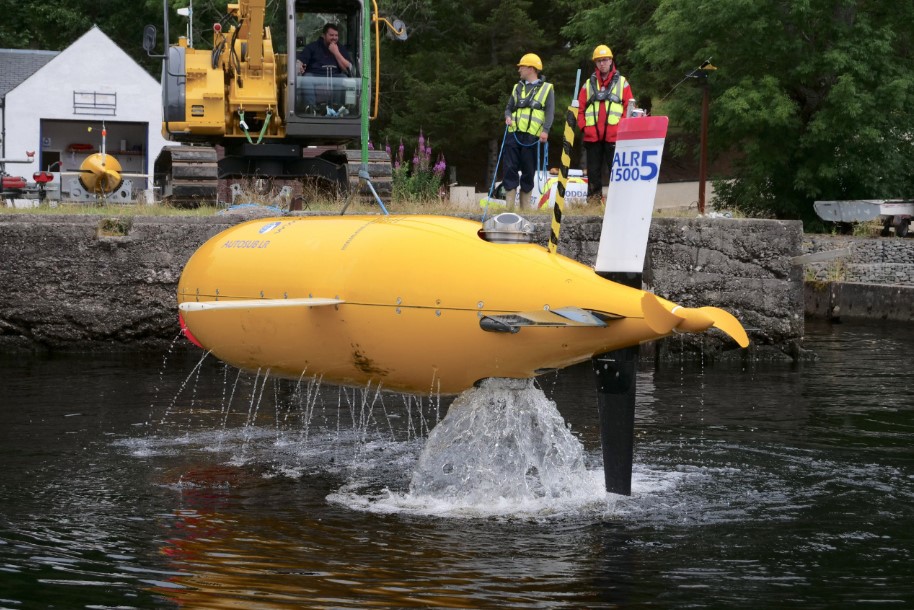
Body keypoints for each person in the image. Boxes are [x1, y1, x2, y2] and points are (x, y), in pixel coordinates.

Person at [577, 45, 635, 202]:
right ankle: (594, 203)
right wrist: (584, 127)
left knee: (616, 172)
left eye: (605, 60)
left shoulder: (622, 83)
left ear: (611, 61)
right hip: (592, 137)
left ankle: (618, 203)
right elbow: (579, 109)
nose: (602, 63)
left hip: (614, 137)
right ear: (595, 63)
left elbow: (629, 108)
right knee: (593, 173)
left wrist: (621, 128)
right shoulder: (588, 84)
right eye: (599, 61)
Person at [502, 53, 554, 210]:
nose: (519, 70)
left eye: (522, 67)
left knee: (528, 170)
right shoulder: (517, 87)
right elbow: (509, 107)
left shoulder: (547, 88)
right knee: (509, 168)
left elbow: (550, 112)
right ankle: (509, 207)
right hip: (514, 133)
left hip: (532, 136)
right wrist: (507, 116)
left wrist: (545, 130)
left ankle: (525, 209)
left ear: (531, 69)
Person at [295, 23, 352, 110]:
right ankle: (310, 108)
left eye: (336, 35)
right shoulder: (312, 47)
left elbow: (348, 69)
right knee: (307, 79)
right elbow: (300, 62)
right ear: (324, 35)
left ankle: (337, 108)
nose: (334, 38)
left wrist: (336, 53)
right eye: (331, 35)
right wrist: (300, 67)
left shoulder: (340, 48)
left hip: (334, 77)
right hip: (315, 76)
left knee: (343, 78)